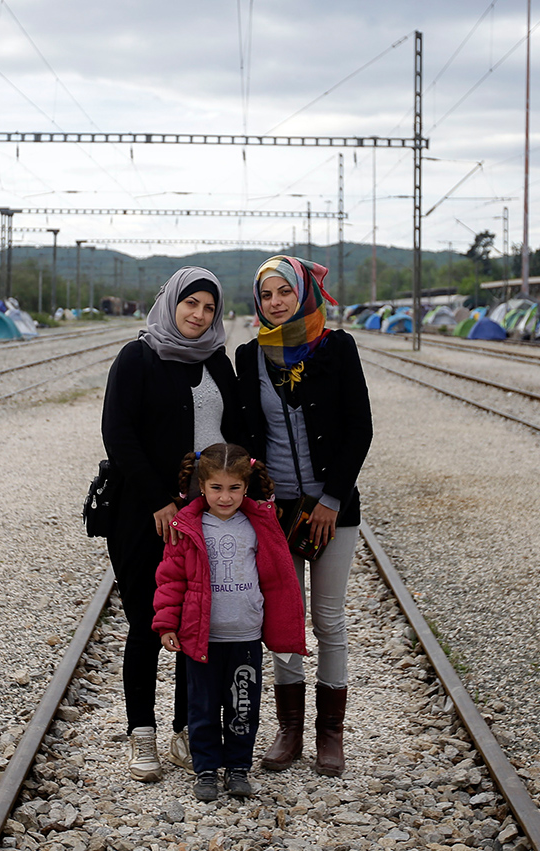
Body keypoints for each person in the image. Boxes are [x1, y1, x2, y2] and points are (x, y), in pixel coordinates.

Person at [101, 267, 247, 782]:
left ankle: (188, 732)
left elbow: (236, 431)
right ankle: (141, 736)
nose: (199, 315)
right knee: (147, 623)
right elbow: (118, 436)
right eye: (191, 304)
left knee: (195, 622)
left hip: (204, 516)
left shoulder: (216, 362)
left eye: (209, 308)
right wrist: (160, 501)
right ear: (170, 302)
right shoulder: (137, 357)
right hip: (144, 516)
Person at [234, 255, 372, 777]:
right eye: (266, 296)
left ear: (302, 294)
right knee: (285, 619)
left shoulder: (338, 348)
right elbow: (241, 433)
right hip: (276, 512)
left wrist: (331, 501)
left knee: (329, 620)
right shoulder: (250, 357)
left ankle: (329, 735)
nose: (275, 303)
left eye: (283, 293)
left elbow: (359, 429)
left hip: (332, 508)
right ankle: (289, 729)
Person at [151, 443, 307, 801]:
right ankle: (206, 770)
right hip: (201, 636)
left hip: (245, 633)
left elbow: (278, 578)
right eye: (217, 488)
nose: (225, 497)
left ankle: (238, 767)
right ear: (201, 487)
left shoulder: (258, 525)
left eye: (234, 488)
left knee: (242, 707)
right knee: (202, 708)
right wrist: (167, 625)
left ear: (246, 486)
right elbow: (170, 579)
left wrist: (282, 624)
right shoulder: (187, 527)